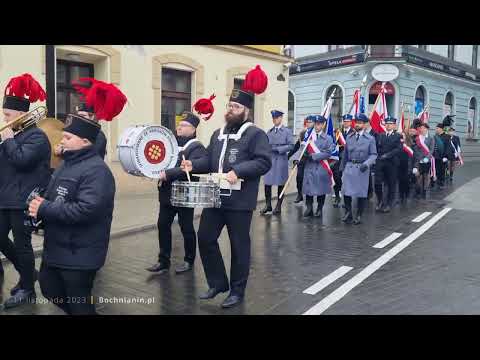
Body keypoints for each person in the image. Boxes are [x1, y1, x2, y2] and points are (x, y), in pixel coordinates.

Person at [28, 81, 126, 315]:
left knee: (79, 303)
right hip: (58, 247)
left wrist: (45, 209)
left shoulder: (98, 171)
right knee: (50, 288)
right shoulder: (66, 163)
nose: (61, 141)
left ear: (85, 142)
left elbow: (86, 210)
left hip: (80, 252)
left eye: (68, 138)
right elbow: (55, 195)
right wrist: (38, 207)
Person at [180, 88, 271, 309]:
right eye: (230, 105)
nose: (231, 110)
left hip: (240, 202)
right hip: (216, 197)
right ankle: (218, 283)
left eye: (236, 107)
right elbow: (210, 160)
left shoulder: (256, 134)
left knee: (239, 246)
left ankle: (237, 291)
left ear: (246, 111)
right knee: (205, 238)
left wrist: (238, 170)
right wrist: (194, 165)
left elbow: (263, 162)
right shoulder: (218, 133)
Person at [0, 73, 51, 309]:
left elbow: (22, 160)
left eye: (7, 115)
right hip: (5, 197)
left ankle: (28, 289)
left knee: (22, 245)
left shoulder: (37, 136)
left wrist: (8, 140)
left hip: (23, 200)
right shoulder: (15, 135)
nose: (4, 119)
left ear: (21, 115)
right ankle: (28, 273)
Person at [146, 111, 207, 274]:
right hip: (167, 193)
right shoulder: (171, 143)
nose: (179, 127)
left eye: (184, 125)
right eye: (179, 124)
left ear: (193, 129)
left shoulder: (197, 147)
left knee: (186, 227)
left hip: (185, 193)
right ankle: (163, 261)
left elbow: (187, 168)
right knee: (163, 225)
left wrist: (168, 174)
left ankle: (189, 260)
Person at [340, 114, 377, 225]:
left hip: (362, 168)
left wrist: (366, 164)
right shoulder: (349, 137)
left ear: (365, 125)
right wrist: (342, 167)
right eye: (356, 122)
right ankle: (348, 212)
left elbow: (374, 154)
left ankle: (359, 215)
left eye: (360, 123)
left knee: (361, 193)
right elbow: (345, 154)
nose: (357, 124)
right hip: (350, 167)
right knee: (346, 191)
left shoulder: (370, 139)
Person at [261, 110, 294, 215]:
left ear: (281, 118)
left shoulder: (287, 131)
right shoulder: (269, 132)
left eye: (276, 118)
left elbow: (291, 145)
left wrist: (278, 149)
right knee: (267, 183)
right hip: (270, 160)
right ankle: (268, 205)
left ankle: (279, 205)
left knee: (281, 184)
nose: (274, 120)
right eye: (273, 118)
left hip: (280, 160)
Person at [302, 115, 335, 218]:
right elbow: (302, 149)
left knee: (321, 189)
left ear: (323, 125)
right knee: (309, 189)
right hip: (309, 166)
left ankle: (320, 208)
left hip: (321, 167)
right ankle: (309, 208)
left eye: (319, 124)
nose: (316, 126)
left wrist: (314, 156)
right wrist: (301, 156)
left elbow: (329, 153)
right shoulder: (308, 136)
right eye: (315, 124)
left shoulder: (328, 138)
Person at [374, 116, 403, 213]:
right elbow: (377, 147)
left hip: (391, 163)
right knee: (377, 183)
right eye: (387, 123)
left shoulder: (398, 136)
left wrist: (387, 155)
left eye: (390, 124)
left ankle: (388, 204)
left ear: (394, 125)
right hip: (380, 163)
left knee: (391, 184)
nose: (388, 125)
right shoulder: (380, 135)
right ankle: (380, 201)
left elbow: (398, 149)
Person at [288, 116, 314, 204]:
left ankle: (309, 199)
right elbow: (297, 146)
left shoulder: (315, 133)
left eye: (310, 122)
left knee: (309, 180)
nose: (308, 124)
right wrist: (288, 156)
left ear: (314, 123)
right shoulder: (303, 133)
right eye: (307, 122)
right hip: (302, 159)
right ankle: (300, 195)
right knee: (299, 177)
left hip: (311, 160)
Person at [332, 114, 355, 208]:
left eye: (347, 121)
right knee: (336, 177)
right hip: (339, 158)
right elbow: (334, 143)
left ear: (350, 122)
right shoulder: (338, 132)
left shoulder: (353, 132)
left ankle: (347, 201)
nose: (345, 123)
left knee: (348, 180)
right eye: (344, 121)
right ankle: (337, 196)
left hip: (349, 159)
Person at [411, 120, 435, 199]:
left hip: (426, 160)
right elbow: (415, 149)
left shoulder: (431, 138)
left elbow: (431, 150)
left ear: (427, 129)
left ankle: (424, 190)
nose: (422, 129)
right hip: (418, 160)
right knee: (418, 176)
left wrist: (427, 158)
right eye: (421, 128)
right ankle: (418, 190)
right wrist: (418, 158)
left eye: (424, 128)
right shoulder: (417, 138)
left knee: (426, 176)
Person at [398, 128, 416, 203]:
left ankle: (407, 194)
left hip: (407, 165)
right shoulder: (398, 144)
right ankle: (401, 196)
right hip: (399, 165)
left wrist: (414, 167)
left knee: (406, 181)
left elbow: (413, 156)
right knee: (400, 181)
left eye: (403, 136)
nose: (402, 137)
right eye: (401, 136)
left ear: (406, 136)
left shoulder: (410, 145)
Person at [432, 123, 449, 190]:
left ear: (441, 129)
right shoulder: (435, 136)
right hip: (435, 156)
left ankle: (441, 183)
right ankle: (433, 182)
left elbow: (448, 147)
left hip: (442, 157)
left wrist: (446, 156)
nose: (436, 129)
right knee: (434, 169)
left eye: (437, 128)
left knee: (441, 170)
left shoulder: (447, 137)